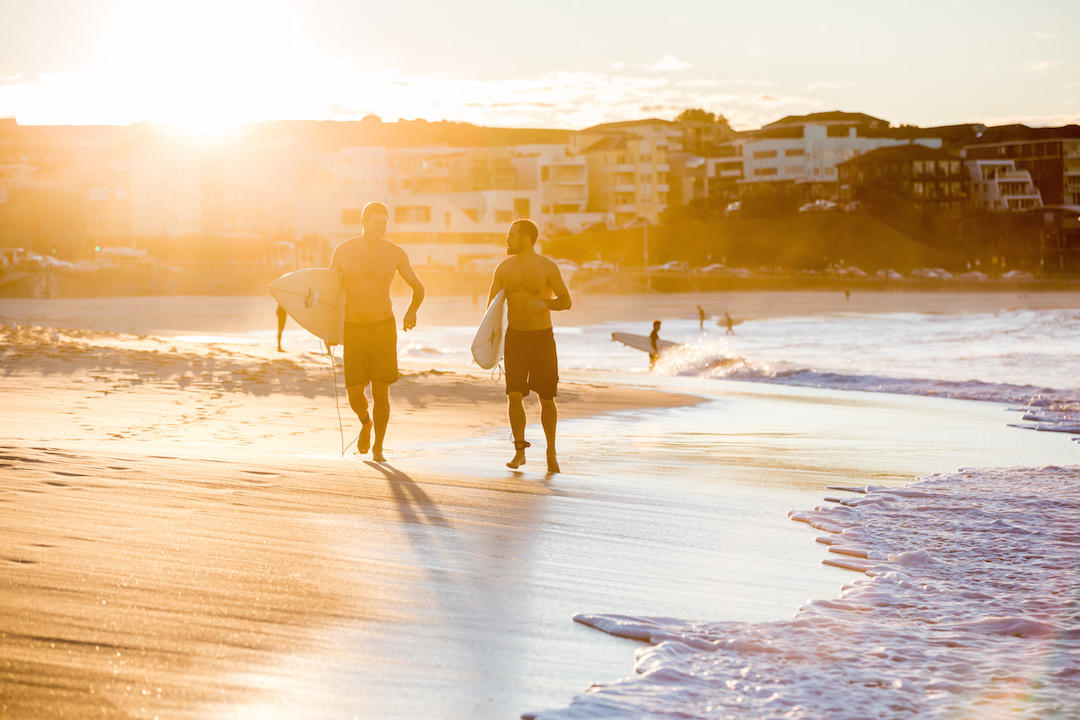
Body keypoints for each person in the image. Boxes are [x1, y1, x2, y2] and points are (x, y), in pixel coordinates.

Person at [329, 201, 425, 461]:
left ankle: (379, 448)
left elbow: (418, 287)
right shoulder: (343, 251)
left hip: (383, 326)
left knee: (381, 391)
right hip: (353, 327)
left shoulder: (395, 253)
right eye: (375, 223)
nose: (380, 228)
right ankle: (365, 422)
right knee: (354, 391)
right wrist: (328, 330)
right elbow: (330, 293)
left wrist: (412, 311)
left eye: (384, 223)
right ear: (364, 222)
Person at [487, 219, 572, 473]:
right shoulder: (503, 269)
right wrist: (490, 344)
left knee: (546, 397)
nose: (506, 240)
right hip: (516, 338)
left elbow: (566, 301)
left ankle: (551, 451)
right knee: (514, 395)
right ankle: (519, 451)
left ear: (526, 238)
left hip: (541, 338)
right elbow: (491, 309)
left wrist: (545, 304)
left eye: (511, 235)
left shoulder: (547, 267)